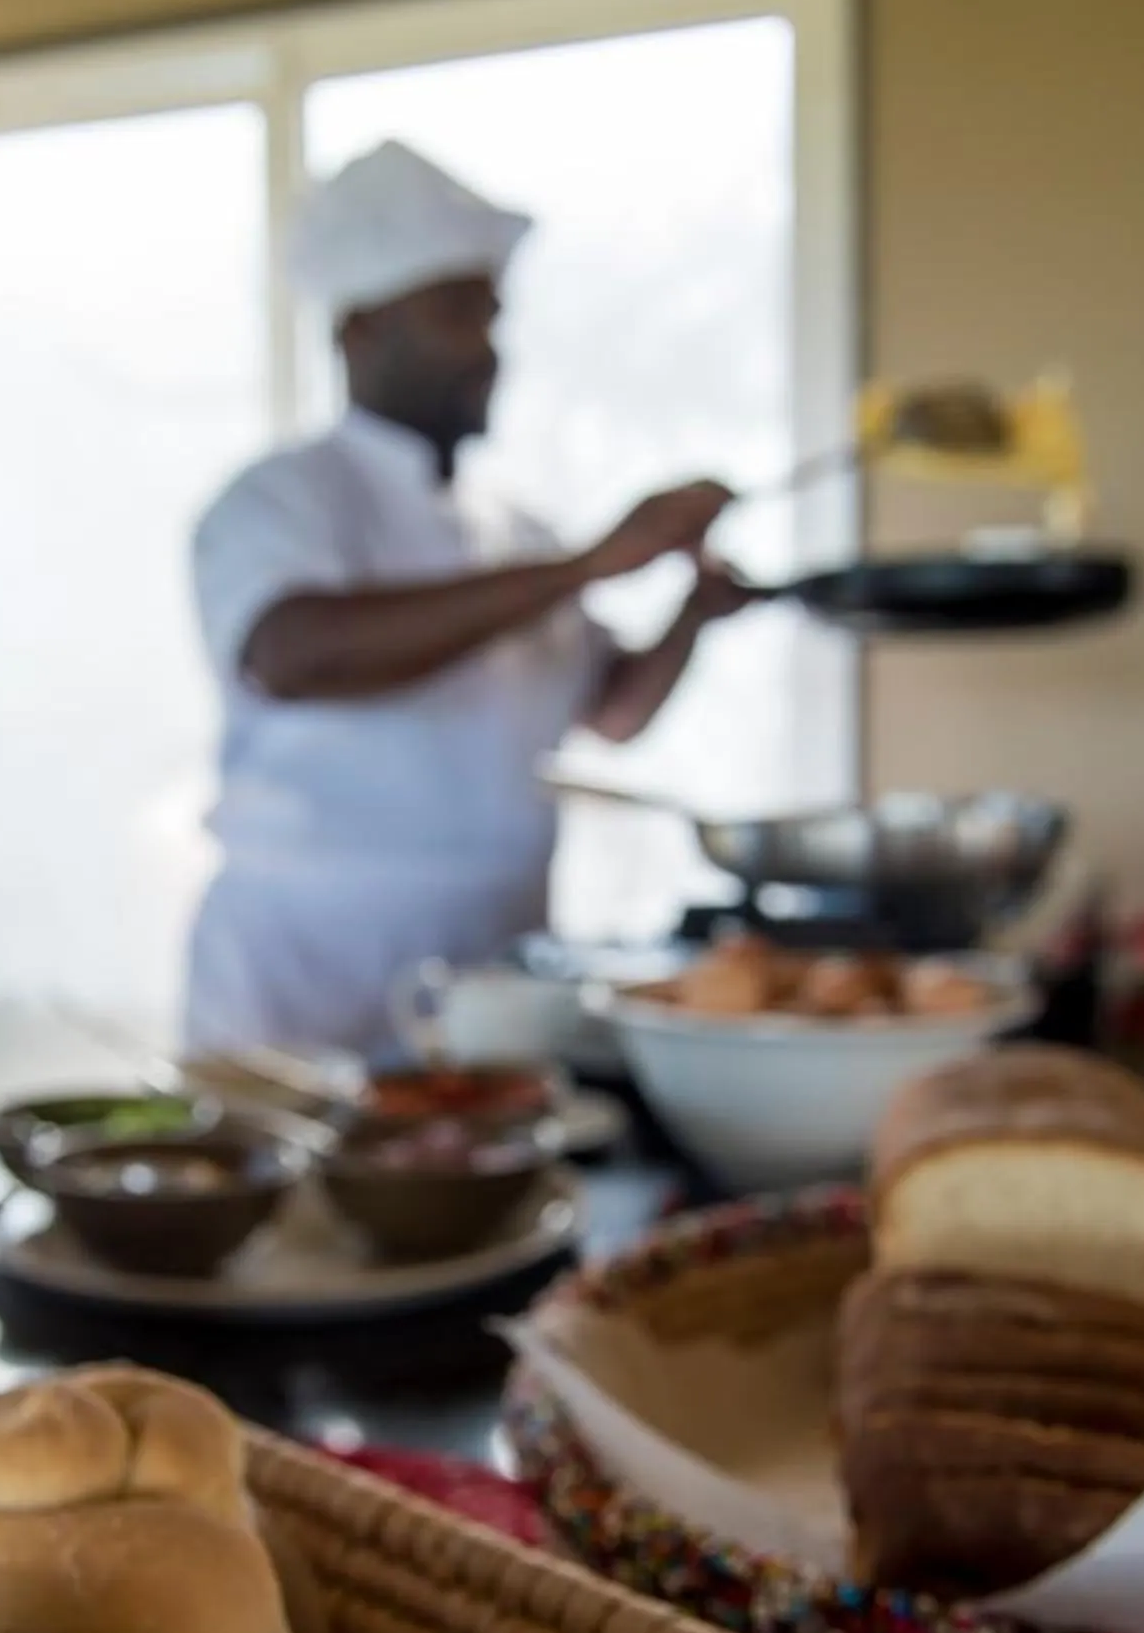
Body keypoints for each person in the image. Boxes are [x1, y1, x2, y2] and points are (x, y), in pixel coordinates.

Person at [186, 141, 749, 1059]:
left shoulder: (517, 529)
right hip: (306, 974)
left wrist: (692, 614)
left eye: (492, 320)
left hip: (496, 969)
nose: (489, 354)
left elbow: (609, 711)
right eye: (458, 318)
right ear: (359, 332)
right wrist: (587, 567)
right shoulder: (280, 499)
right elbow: (296, 655)